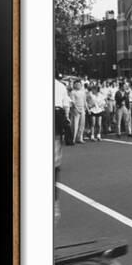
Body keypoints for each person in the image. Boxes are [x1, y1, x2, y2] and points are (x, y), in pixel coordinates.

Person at [54, 76, 70, 224]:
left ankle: (55, 204)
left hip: (56, 118)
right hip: (57, 117)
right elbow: (66, 106)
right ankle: (55, 205)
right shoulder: (60, 86)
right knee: (55, 164)